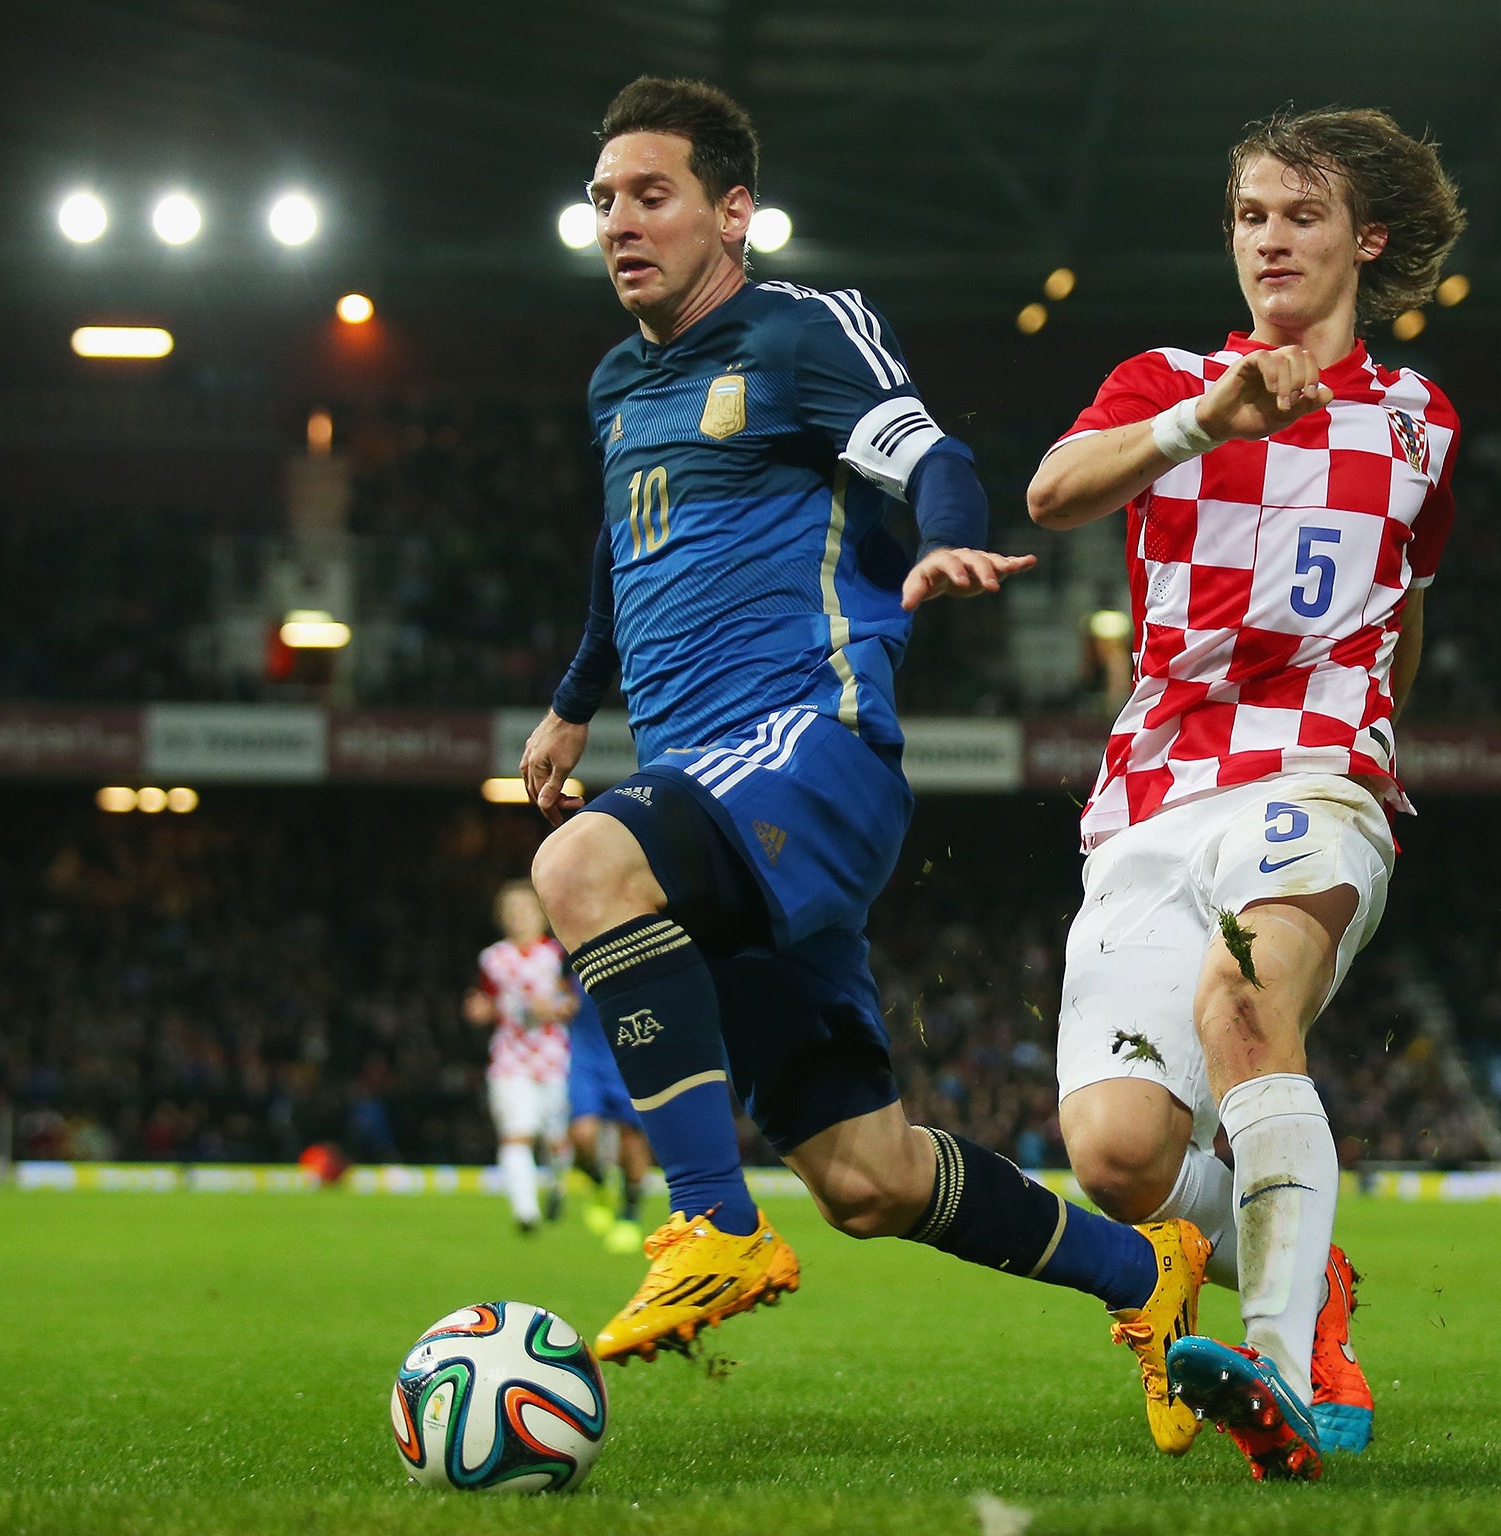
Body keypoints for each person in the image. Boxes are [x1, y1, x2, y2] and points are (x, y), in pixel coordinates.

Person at [519, 77, 1208, 1421]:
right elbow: (621, 547)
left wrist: (945, 527)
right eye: (604, 200)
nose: (618, 223)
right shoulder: (618, 384)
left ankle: (712, 1226)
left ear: (735, 212)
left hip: (804, 747)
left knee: (584, 865)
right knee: (868, 1179)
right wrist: (571, 700)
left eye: (650, 195)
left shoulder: (797, 332)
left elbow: (921, 445)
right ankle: (1147, 1271)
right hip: (702, 785)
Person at [1025, 104, 1465, 1481]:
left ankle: (1274, 1367)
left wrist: (1373, 754)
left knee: (1242, 1006)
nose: (1269, 239)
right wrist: (1201, 421)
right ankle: (1308, 1273)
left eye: (1302, 215)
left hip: (1315, 773)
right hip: (1154, 792)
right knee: (1113, 1157)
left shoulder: (1419, 425)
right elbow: (1049, 494)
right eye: (1251, 216)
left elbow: (1405, 613)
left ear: (1365, 241)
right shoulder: (1163, 376)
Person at [463, 880, 578, 1232]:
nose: (519, 917)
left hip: (552, 1056)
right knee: (517, 1132)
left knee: (557, 1138)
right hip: (510, 1057)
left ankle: (558, 1184)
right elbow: (480, 1000)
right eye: (511, 911)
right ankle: (525, 1212)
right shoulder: (493, 958)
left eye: (526, 910)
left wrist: (556, 1008)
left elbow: (574, 1001)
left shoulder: (556, 955)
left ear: (542, 916)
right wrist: (478, 1010)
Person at [565, 979, 653, 1252]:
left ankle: (629, 1211)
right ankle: (598, 1181)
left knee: (632, 1140)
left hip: (633, 1056)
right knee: (582, 1134)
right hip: (586, 1060)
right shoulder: (575, 954)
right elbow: (558, 994)